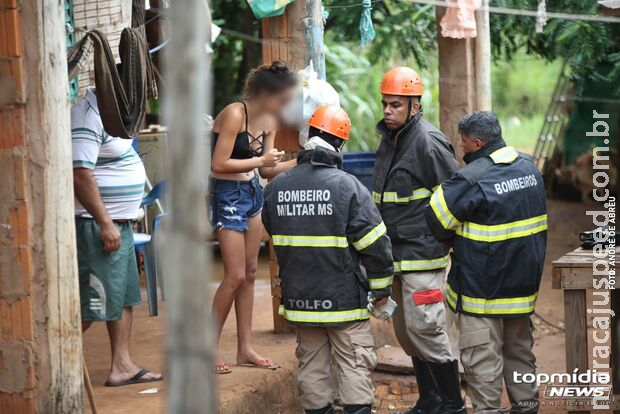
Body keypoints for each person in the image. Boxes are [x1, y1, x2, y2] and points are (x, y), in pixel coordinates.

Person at [262, 105, 394, 414]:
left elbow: (274, 230)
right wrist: (382, 289)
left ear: (308, 137)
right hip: (344, 302)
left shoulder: (277, 188)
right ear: (340, 144)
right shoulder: (348, 187)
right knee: (353, 365)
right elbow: (375, 246)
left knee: (312, 367)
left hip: (300, 302)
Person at [425, 111, 547, 413]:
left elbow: (435, 217)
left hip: (482, 294)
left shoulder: (472, 178)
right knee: (520, 354)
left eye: (464, 143)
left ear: (478, 143)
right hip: (520, 293)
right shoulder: (530, 169)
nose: (462, 149)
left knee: (483, 363)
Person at [372, 67, 465, 413]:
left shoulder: (427, 141)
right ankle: (429, 400)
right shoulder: (390, 139)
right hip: (394, 256)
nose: (387, 111)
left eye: (395, 105)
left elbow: (456, 195)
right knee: (408, 334)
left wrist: (447, 241)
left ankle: (452, 405)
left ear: (414, 105)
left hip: (424, 256)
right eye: (384, 104)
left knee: (426, 329)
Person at [210, 60, 298, 374]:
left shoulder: (270, 121)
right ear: (264, 93)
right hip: (227, 195)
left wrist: (302, 161)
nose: (285, 105)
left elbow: (265, 170)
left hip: (252, 194)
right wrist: (262, 157)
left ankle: (244, 349)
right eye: (282, 99)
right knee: (233, 276)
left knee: (248, 273)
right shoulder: (236, 113)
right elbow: (218, 165)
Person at [72, 86, 163, 386]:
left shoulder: (114, 114)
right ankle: (51, 355)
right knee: (93, 301)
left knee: (123, 296)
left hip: (120, 223)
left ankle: (121, 365)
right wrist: (104, 222)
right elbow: (80, 173)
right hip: (97, 225)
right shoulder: (87, 113)